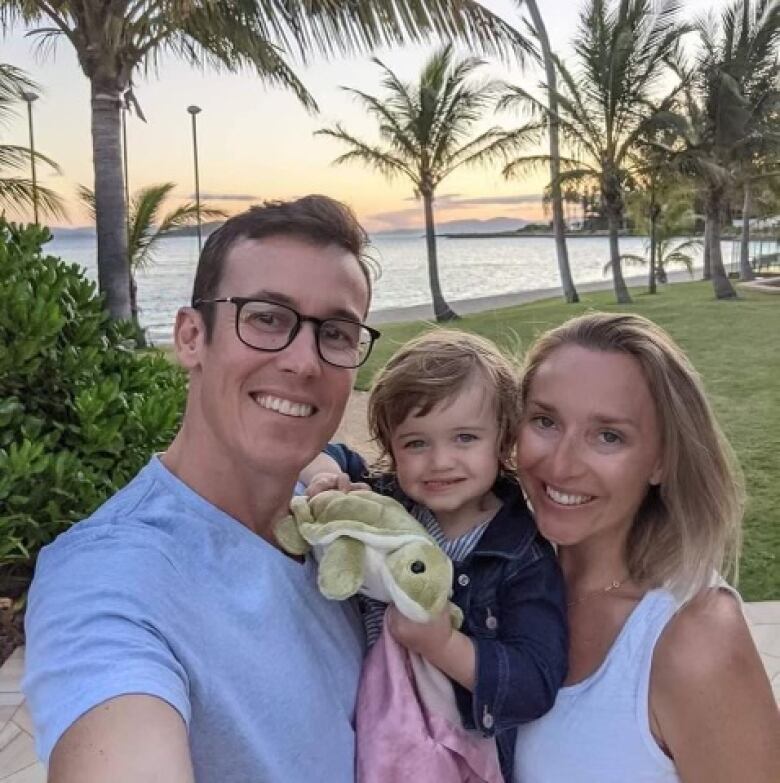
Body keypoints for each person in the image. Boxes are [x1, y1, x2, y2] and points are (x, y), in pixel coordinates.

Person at [22, 195, 383, 783]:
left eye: (336, 332)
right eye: (267, 317)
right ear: (191, 337)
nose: (303, 361)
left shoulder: (328, 525)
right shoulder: (109, 579)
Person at [512, 312, 780, 782]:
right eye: (545, 421)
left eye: (608, 435)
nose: (561, 463)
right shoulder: (506, 584)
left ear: (661, 461)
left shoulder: (694, 637)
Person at [303, 330, 568, 780]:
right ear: (392, 448)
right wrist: (328, 482)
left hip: (457, 762)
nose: (440, 461)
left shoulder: (522, 557)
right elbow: (321, 452)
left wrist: (444, 645)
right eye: (416, 443)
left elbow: (534, 682)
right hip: (372, 737)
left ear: (503, 440)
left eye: (464, 438)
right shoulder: (391, 502)